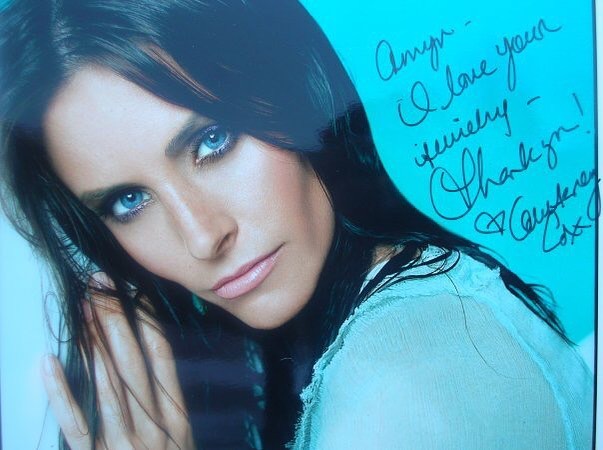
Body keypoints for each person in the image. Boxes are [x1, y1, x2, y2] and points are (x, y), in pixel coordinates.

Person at [0, 0, 593, 448]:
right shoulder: (333, 351)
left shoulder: (407, 376)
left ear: (294, 93)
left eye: (213, 141)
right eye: (129, 200)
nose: (203, 237)